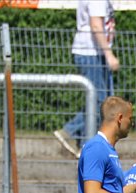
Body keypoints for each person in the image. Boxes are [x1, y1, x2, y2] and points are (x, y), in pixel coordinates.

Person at [54, 0, 119, 159]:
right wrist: (108, 54)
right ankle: (70, 132)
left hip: (94, 54)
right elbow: (96, 25)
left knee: (101, 100)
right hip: (91, 54)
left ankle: (83, 143)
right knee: (100, 102)